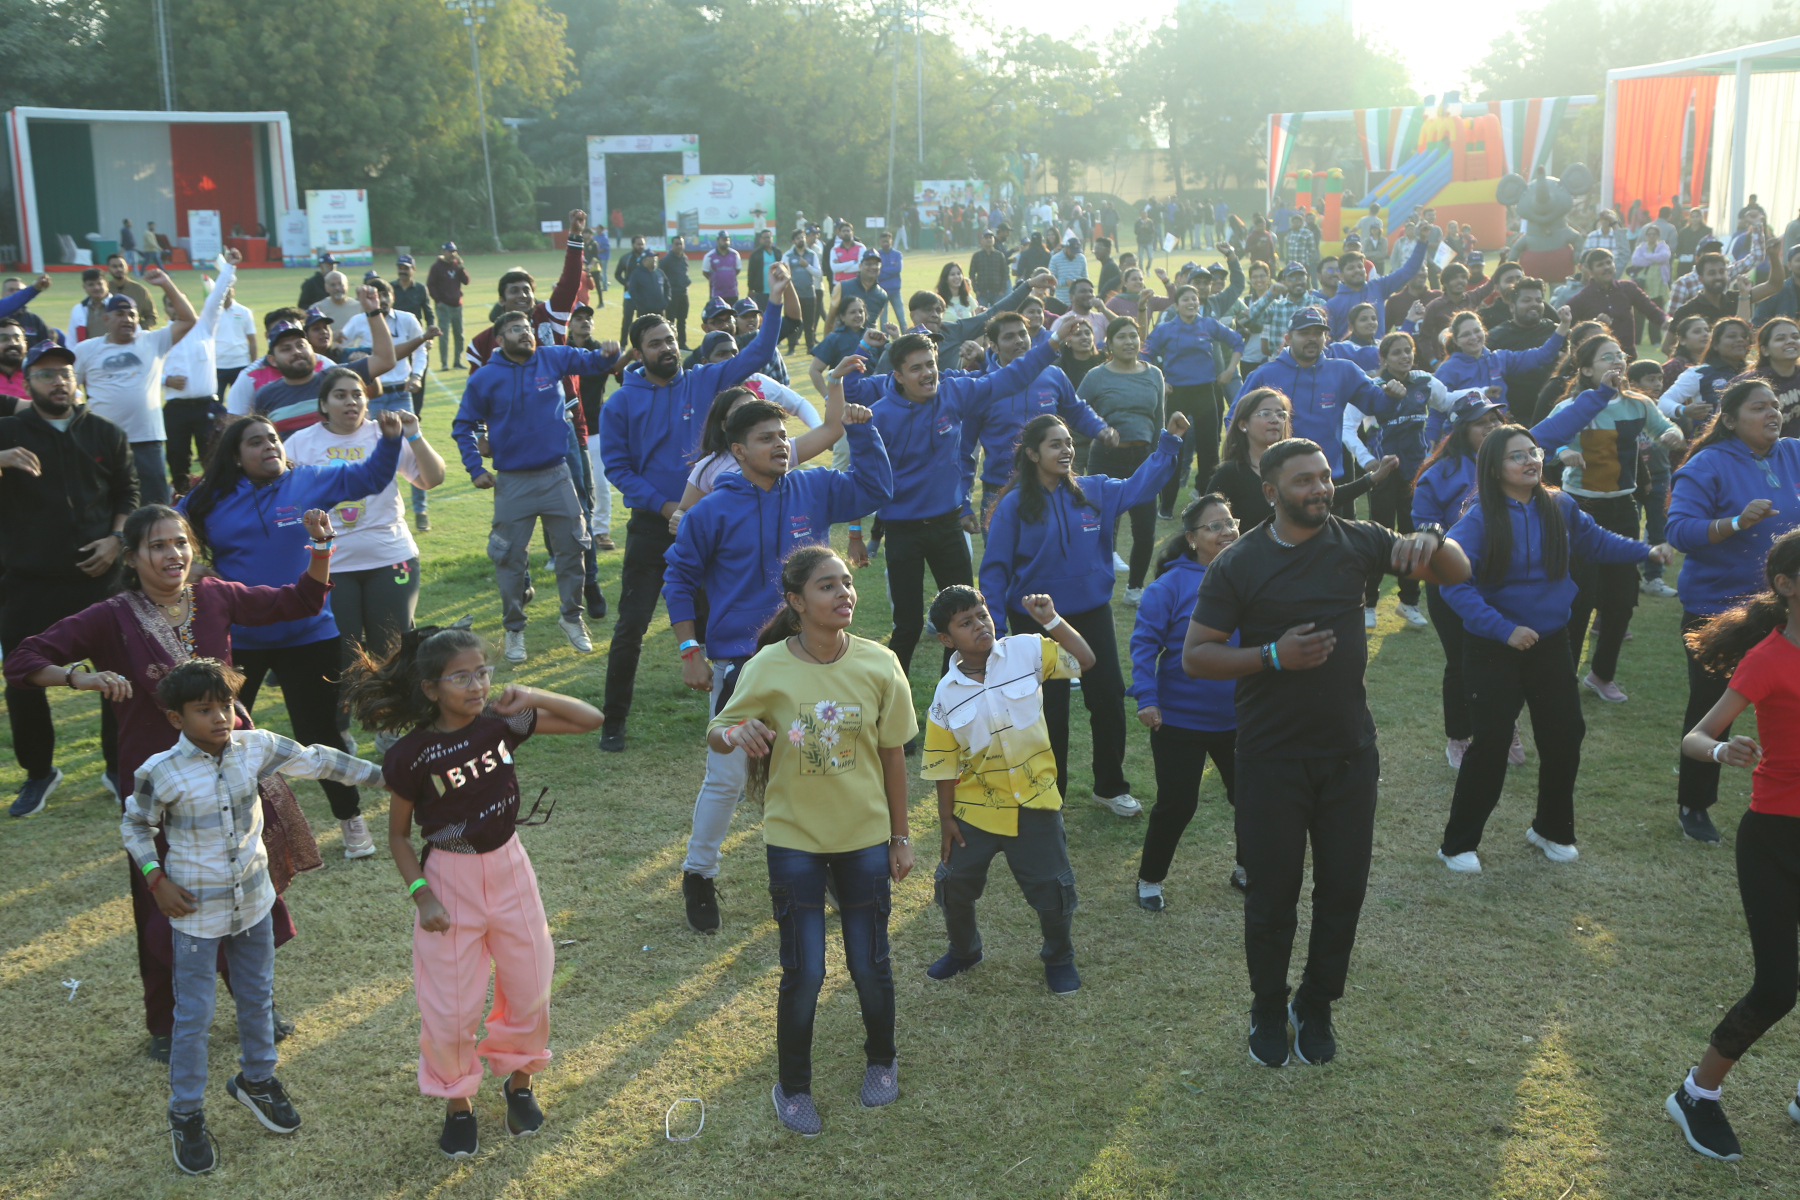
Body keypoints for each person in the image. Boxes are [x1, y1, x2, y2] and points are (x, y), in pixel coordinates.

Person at [8, 504, 337, 1057]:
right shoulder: (110, 617)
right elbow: (22, 661)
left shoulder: (215, 596)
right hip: (158, 781)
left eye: (180, 542)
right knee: (162, 894)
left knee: (242, 881)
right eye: (157, 545)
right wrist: (80, 678)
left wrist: (321, 547)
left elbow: (299, 601)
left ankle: (255, 1002)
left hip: (227, 770)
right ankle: (165, 1021)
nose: (172, 554)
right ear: (131, 557)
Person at [1184, 437, 1470, 1067]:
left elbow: (1456, 572)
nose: (1318, 488)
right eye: (1303, 481)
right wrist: (1272, 656)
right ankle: (1267, 1005)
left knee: (1343, 891)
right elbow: (1197, 656)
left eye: (1323, 477)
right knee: (1272, 896)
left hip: (1348, 753)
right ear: (1271, 492)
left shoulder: (1359, 539)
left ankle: (1316, 1002)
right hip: (1270, 756)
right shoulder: (1238, 563)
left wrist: (1432, 539)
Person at [349, 622, 601, 1159]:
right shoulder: (411, 755)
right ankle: (457, 1102)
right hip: (449, 881)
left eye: (482, 672)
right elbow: (397, 836)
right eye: (460, 677)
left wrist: (531, 693)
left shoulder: (500, 725)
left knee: (531, 983)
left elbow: (591, 719)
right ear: (430, 688)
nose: (477, 685)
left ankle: (519, 1082)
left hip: (511, 867)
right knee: (451, 1007)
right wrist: (423, 895)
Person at [125, 656, 380, 1175]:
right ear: (176, 718)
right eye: (204, 710)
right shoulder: (159, 772)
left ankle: (257, 1080)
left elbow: (317, 760)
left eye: (225, 706)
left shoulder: (255, 746)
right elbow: (136, 827)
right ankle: (186, 1113)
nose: (220, 718)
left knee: (257, 997)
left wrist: (389, 776)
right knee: (194, 1017)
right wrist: (155, 878)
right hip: (196, 916)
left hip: (254, 903)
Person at [663, 380, 892, 933]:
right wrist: (690, 649)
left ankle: (828, 867)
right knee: (727, 777)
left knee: (818, 768)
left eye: (783, 436)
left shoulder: (815, 487)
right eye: (766, 438)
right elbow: (679, 578)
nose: (781, 445)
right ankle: (699, 873)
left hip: (813, 656)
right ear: (738, 451)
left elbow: (875, 488)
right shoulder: (711, 511)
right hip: (740, 662)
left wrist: (862, 433)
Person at [706, 546, 917, 1137]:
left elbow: (894, 756)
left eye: (847, 583)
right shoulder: (768, 665)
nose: (844, 593)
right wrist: (738, 731)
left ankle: (882, 1060)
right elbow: (718, 729)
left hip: (864, 838)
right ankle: (793, 1087)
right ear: (796, 602)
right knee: (805, 972)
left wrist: (900, 836)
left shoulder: (880, 663)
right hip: (794, 839)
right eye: (827, 586)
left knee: (870, 964)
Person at [1435, 424, 1671, 873]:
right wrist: (1504, 629)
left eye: (1534, 452)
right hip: (1493, 647)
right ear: (1494, 468)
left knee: (1564, 735)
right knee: (1492, 742)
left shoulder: (1560, 504)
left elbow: (1596, 541)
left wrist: (1645, 551)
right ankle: (1457, 844)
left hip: (1550, 641)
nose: (1530, 461)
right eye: (1517, 456)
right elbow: (1453, 583)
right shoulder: (1479, 518)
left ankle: (1551, 829)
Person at [181, 412, 405, 854]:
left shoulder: (309, 481)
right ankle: (220, 827)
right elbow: (170, 529)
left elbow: (373, 476)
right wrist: (194, 567)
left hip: (309, 634)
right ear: (235, 456)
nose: (269, 446)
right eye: (255, 442)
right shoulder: (210, 496)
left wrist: (391, 438)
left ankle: (351, 818)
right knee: (221, 731)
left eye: (273, 439)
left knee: (318, 732)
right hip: (241, 639)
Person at [598, 264, 798, 749]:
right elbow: (617, 468)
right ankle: (613, 722)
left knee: (725, 620)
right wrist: (667, 506)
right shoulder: (620, 403)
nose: (667, 348)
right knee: (631, 626)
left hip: (712, 525)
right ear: (639, 354)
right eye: (655, 344)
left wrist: (774, 301)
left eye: (670, 339)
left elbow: (758, 352)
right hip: (652, 527)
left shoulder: (704, 380)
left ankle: (742, 710)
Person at [1662, 528, 1800, 1163]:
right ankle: (1696, 1093)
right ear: (1786, 585)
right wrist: (1722, 750)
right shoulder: (1767, 660)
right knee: (1777, 988)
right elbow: (1696, 736)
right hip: (1775, 838)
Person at [980, 411, 1188, 816]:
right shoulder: (1013, 506)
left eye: (1069, 443)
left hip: (1091, 615)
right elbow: (994, 571)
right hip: (1035, 621)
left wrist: (1169, 443)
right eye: (1055, 444)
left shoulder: (1095, 490)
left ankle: (1110, 787)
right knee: (1050, 710)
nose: (1067, 450)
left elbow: (1141, 486)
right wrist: (997, 631)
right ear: (1033, 454)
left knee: (1108, 698)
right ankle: (1050, 793)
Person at [841, 321, 1067, 690]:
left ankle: (959, 697)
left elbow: (1009, 378)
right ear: (898, 377)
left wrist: (1053, 342)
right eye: (916, 368)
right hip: (903, 531)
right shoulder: (880, 416)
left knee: (962, 617)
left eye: (930, 364)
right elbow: (859, 479)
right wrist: (854, 534)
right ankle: (893, 705)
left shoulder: (954, 394)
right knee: (908, 626)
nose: (927, 373)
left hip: (947, 527)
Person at [920, 584, 1097, 991]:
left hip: (1035, 802)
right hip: (975, 811)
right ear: (947, 639)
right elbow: (944, 763)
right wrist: (946, 819)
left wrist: (1051, 620)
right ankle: (964, 951)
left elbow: (1084, 660)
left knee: (1053, 889)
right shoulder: (945, 695)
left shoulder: (1026, 650)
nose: (980, 625)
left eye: (982, 615)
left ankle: (1059, 957)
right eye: (966, 623)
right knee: (953, 885)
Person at [0, 340, 134, 814]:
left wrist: (117, 540)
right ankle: (39, 773)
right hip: (27, 580)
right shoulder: (7, 431)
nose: (58, 381)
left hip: (99, 580)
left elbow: (128, 493)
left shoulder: (105, 432)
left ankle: (119, 767)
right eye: (46, 374)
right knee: (24, 678)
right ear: (28, 383)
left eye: (65, 373)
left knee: (118, 675)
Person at [1664, 380, 1800, 843]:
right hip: (1718, 610)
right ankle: (1695, 804)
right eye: (1758, 408)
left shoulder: (1792, 453)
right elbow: (1679, 532)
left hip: (1786, 606)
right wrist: (1735, 522)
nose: (1772, 413)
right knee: (1712, 708)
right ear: (1729, 419)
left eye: (1774, 406)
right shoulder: (1706, 465)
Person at [453, 310, 619, 662]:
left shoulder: (551, 358)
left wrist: (608, 354)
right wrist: (474, 468)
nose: (525, 333)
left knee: (573, 548)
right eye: (516, 329)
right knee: (510, 558)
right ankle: (514, 629)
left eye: (527, 327)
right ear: (500, 340)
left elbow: (592, 362)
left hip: (557, 475)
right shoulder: (485, 378)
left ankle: (571, 618)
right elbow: (462, 425)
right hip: (513, 482)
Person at [284, 367, 447, 712]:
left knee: (393, 650)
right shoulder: (300, 442)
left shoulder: (384, 434)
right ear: (323, 404)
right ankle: (342, 726)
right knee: (341, 652)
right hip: (331, 566)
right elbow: (282, 496)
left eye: (357, 394)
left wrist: (413, 435)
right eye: (340, 395)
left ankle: (397, 720)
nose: (351, 402)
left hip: (390, 557)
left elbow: (431, 479)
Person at [1544, 335, 1686, 701]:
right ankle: (1562, 677)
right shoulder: (1572, 408)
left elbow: (1665, 428)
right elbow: (1541, 445)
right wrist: (1563, 452)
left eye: (1620, 356)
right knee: (1578, 600)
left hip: (1624, 509)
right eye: (1607, 357)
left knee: (1622, 600)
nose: (1617, 362)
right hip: (1578, 510)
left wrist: (1673, 433)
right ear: (1586, 370)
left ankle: (1601, 675)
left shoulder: (1639, 404)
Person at [1131, 495, 1244, 905]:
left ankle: (1247, 867)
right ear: (1192, 538)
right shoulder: (1168, 587)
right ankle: (1149, 880)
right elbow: (1144, 646)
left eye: (1229, 522)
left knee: (1251, 797)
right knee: (1177, 804)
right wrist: (1147, 698)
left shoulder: (1250, 575)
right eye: (1214, 526)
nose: (1226, 531)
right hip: (1179, 720)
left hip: (1240, 717)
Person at [959, 310, 1113, 532]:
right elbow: (964, 452)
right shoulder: (982, 387)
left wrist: (1101, 429)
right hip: (1000, 489)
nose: (1019, 340)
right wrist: (964, 504)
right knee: (1002, 552)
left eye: (1023, 334)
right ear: (993, 346)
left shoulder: (1053, 375)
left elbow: (1076, 411)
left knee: (1052, 550)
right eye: (1009, 336)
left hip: (1050, 485)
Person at [73, 269, 198, 505]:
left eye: (132, 315)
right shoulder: (86, 349)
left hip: (146, 440)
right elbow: (70, 387)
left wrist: (166, 283)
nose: (127, 319)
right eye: (120, 314)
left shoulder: (152, 342)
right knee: (105, 503)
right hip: (103, 441)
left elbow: (189, 320)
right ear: (106, 319)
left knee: (154, 504)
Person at [1073, 316, 1163, 593]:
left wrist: (1159, 460)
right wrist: (1099, 432)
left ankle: (1135, 588)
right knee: (1099, 527)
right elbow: (1075, 414)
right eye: (1121, 336)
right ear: (1109, 344)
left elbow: (1158, 420)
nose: (1129, 341)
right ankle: (1093, 587)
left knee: (1145, 529)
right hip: (1106, 458)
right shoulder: (1096, 376)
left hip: (1143, 459)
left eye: (1133, 335)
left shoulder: (1154, 374)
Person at [1143, 285, 1243, 517]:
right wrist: (1161, 380)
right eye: (1185, 299)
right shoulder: (1165, 329)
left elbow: (1237, 341)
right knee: (1172, 449)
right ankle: (1166, 505)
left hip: (1205, 392)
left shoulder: (1208, 324)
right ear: (1176, 305)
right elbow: (1145, 354)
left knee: (1209, 449)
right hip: (1176, 395)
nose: (1191, 303)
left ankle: (1206, 499)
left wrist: (1229, 371)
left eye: (1194, 299)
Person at [240, 291, 398, 437]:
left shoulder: (336, 377)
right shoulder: (266, 395)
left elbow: (385, 360)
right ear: (273, 360)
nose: (296, 351)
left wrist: (373, 312)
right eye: (286, 349)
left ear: (311, 348)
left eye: (301, 345)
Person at [465, 211, 589, 370]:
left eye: (526, 290)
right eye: (514, 291)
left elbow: (569, 284)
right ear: (501, 300)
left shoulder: (549, 317)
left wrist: (575, 236)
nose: (522, 295)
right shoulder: (482, 342)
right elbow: (478, 383)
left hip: (557, 387)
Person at [1485, 278, 1563, 424]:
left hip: (1553, 414)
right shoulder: (1496, 338)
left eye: (1539, 300)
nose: (1534, 304)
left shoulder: (1556, 333)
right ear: (1512, 307)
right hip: (1513, 417)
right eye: (1526, 300)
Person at [1568, 249, 1665, 360]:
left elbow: (1653, 312)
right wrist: (1594, 325)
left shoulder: (1628, 288)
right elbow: (1570, 332)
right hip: (1599, 362)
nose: (1606, 267)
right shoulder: (1581, 299)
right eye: (1600, 265)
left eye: (1609, 263)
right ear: (1590, 272)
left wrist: (1668, 322)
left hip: (1628, 358)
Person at [427, 244, 469, 371]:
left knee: (459, 335)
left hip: (457, 306)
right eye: (450, 251)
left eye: (454, 251)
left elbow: (466, 281)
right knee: (443, 336)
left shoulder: (457, 265)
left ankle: (457, 361)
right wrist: (437, 300)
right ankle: (444, 363)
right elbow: (430, 284)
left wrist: (461, 268)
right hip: (444, 306)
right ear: (443, 252)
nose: (452, 254)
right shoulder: (436, 267)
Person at [782, 231, 821, 353]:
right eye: (798, 238)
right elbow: (783, 274)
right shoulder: (787, 255)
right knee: (792, 322)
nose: (801, 239)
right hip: (793, 295)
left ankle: (810, 347)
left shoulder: (812, 254)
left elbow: (818, 273)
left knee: (809, 323)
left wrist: (807, 265)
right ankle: (791, 347)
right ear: (793, 241)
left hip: (809, 293)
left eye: (803, 237)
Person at [659, 235, 691, 349]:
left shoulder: (684, 258)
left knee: (682, 320)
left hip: (683, 293)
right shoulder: (666, 260)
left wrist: (687, 281)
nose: (679, 246)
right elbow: (660, 276)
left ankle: (682, 343)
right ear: (672, 245)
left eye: (681, 244)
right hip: (672, 295)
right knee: (670, 321)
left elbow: (684, 273)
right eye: (676, 244)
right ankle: (670, 343)